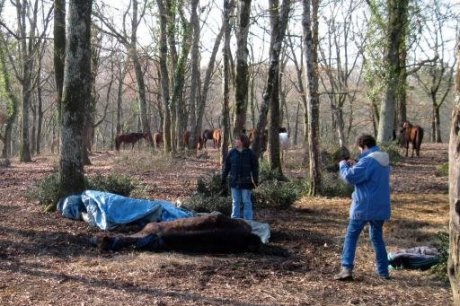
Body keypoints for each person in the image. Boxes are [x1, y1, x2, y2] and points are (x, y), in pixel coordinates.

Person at [334, 134, 391, 281]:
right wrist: (357, 163)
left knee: (351, 236)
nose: (360, 152)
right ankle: (383, 271)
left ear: (364, 146)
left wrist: (343, 165)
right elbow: (369, 174)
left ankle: (346, 269)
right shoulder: (383, 158)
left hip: (364, 205)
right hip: (381, 206)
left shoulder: (368, 160)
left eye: (360, 149)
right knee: (377, 238)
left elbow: (350, 177)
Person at [222, 133, 259, 220]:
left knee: (246, 202)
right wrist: (223, 178)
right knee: (235, 202)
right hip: (234, 182)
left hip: (246, 183)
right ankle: (235, 220)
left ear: (243, 142)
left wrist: (255, 180)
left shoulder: (251, 154)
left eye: (238, 139)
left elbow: (255, 169)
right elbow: (227, 167)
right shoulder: (232, 153)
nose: (236, 141)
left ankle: (248, 220)